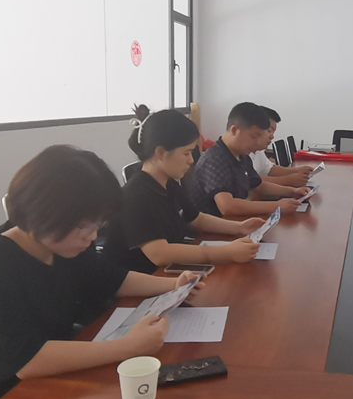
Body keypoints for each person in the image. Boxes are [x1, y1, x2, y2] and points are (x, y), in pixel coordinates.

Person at [0, 145, 204, 399]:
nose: (92, 236)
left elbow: (110, 279)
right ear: (44, 213)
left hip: (46, 377)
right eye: (84, 226)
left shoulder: (60, 243)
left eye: (97, 225)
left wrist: (173, 285)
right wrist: (129, 346)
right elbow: (27, 361)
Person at [102, 106, 264, 274]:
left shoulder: (169, 183)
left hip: (168, 272)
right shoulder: (136, 195)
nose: (191, 160)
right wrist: (225, 252)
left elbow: (196, 218)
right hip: (140, 280)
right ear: (160, 152)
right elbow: (160, 254)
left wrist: (239, 227)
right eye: (186, 153)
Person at [189, 102, 308, 216]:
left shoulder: (242, 156)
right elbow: (227, 206)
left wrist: (293, 192)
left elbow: (259, 186)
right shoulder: (215, 159)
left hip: (236, 222)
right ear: (234, 130)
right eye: (253, 136)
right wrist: (276, 206)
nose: (258, 143)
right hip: (215, 227)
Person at [250, 106, 314, 188]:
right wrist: (288, 180)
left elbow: (269, 169)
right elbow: (251, 181)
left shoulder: (258, 150)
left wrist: (297, 170)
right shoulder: (241, 153)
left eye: (273, 132)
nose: (272, 136)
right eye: (269, 131)